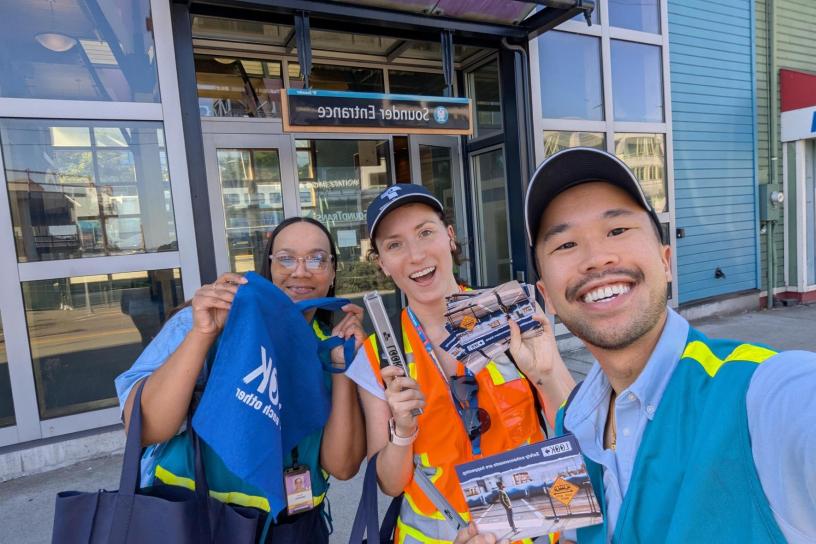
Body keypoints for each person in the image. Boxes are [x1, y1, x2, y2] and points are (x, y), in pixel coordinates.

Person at [456, 147, 816, 544]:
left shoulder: (762, 393)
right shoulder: (575, 419)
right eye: (565, 245)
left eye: (617, 230)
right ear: (548, 297)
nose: (596, 258)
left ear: (666, 262)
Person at [344, 184, 576, 543]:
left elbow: (575, 424)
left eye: (425, 232)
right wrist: (403, 429)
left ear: (449, 236)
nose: (416, 255)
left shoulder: (508, 314)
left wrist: (546, 374)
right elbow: (390, 483)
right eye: (394, 245)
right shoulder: (375, 355)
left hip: (529, 527)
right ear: (382, 263)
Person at [115, 216, 367, 543]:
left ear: (332, 271)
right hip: (191, 520)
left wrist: (342, 366)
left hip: (292, 530)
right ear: (269, 267)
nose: (300, 271)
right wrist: (202, 334)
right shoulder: (206, 322)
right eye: (287, 258)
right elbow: (143, 429)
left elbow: (344, 466)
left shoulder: (330, 345)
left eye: (317, 259)